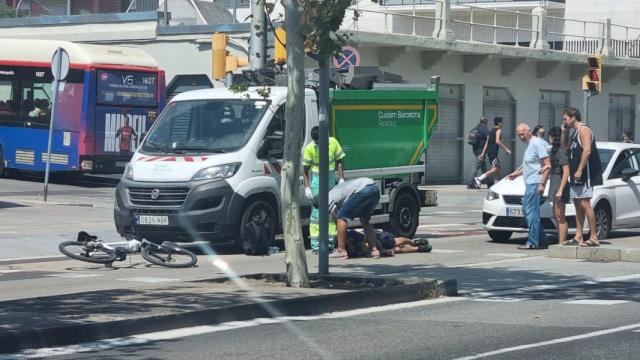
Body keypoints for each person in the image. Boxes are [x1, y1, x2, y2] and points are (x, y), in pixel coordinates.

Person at [562, 106, 603, 247]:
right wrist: (564, 132)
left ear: (573, 117)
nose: (564, 121)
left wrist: (580, 169)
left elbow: (587, 151)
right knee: (577, 204)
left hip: (585, 174)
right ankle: (579, 235)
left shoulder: (584, 130)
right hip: (575, 175)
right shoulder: (574, 132)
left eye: (565, 119)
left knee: (585, 203)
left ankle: (594, 236)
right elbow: (565, 147)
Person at [507, 124, 551, 250]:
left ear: (529, 132)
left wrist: (542, 183)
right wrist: (516, 174)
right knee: (528, 211)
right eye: (519, 134)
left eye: (523, 133)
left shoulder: (537, 144)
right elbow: (532, 166)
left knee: (531, 212)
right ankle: (541, 239)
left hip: (535, 183)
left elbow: (547, 164)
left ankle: (533, 242)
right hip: (530, 182)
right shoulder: (530, 145)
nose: (521, 136)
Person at [314, 177, 381, 259]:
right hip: (374, 188)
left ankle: (341, 251)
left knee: (341, 217)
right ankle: (375, 250)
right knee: (364, 220)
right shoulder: (335, 191)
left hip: (363, 189)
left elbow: (338, 218)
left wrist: (342, 238)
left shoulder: (328, 198)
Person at [303, 126, 346, 253]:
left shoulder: (333, 142)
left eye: (318, 141)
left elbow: (339, 161)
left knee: (332, 212)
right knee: (317, 215)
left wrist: (342, 178)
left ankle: (330, 243)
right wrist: (307, 187)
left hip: (331, 182)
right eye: (315, 141)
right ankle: (316, 245)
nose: (317, 143)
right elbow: (305, 170)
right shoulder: (310, 148)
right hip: (317, 184)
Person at [547, 127, 571, 245]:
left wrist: (561, 189)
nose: (549, 139)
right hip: (554, 182)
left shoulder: (561, 151)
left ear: (553, 137)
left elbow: (566, 171)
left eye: (550, 136)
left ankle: (562, 242)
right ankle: (560, 241)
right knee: (556, 215)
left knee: (560, 216)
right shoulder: (554, 151)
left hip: (560, 184)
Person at [474, 117, 512, 188]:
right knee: (495, 168)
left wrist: (483, 153)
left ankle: (497, 185)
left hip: (490, 151)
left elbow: (487, 143)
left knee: (497, 168)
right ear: (499, 123)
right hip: (493, 152)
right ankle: (479, 179)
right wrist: (506, 149)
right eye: (502, 122)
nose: (503, 123)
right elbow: (497, 141)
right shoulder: (498, 130)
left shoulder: (491, 130)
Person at [344, 230, 432, 258]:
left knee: (395, 242)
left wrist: (381, 250)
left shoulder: (353, 235)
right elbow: (364, 253)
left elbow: (371, 239)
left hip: (378, 240)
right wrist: (385, 252)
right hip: (376, 249)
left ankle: (414, 242)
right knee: (396, 250)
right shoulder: (350, 252)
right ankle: (419, 249)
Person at [467, 116, 491, 189]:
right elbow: (489, 139)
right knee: (476, 167)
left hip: (475, 150)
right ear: (485, 122)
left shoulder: (475, 128)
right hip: (481, 151)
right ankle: (470, 183)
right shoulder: (484, 129)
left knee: (483, 168)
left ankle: (489, 183)